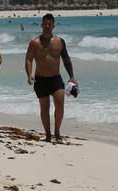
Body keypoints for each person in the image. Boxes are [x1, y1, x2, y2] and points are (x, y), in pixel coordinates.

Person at [24, 13, 78, 142]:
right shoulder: (35, 42)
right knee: (44, 108)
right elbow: (29, 60)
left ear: (53, 25)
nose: (47, 26)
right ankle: (48, 134)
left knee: (60, 104)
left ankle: (57, 131)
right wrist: (29, 75)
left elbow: (66, 59)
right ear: (42, 24)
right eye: (45, 23)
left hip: (56, 79)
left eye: (50, 23)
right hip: (40, 79)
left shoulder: (60, 41)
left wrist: (72, 76)